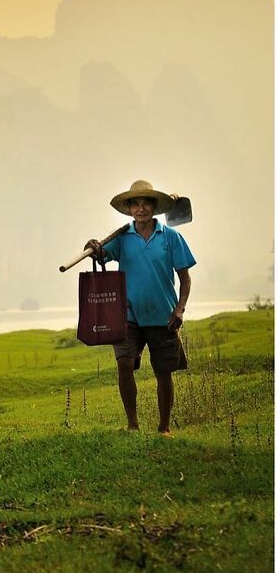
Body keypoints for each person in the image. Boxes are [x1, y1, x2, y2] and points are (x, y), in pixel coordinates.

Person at [85, 179, 196, 436]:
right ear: (129, 209)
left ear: (154, 207)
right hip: (127, 317)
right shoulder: (122, 238)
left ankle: (164, 427)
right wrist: (92, 246)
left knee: (163, 372)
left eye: (146, 202)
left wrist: (179, 310)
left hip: (163, 317)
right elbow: (99, 255)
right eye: (135, 203)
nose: (141, 208)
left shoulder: (171, 238)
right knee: (124, 364)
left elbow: (185, 279)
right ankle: (132, 424)